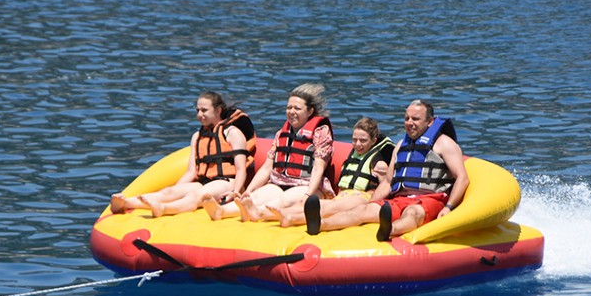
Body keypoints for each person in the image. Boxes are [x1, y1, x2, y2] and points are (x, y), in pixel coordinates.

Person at [304, 99, 469, 241]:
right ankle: (320, 224)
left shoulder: (444, 144)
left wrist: (449, 207)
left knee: (412, 213)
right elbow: (389, 182)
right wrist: (372, 202)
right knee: (363, 210)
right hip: (400, 199)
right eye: (407, 118)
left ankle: (389, 230)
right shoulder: (400, 147)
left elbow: (462, 178)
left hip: (430, 199)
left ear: (430, 121)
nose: (409, 122)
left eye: (415, 119)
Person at [109, 91, 256, 217]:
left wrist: (236, 192)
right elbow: (191, 172)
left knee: (196, 196)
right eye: (197, 110)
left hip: (226, 182)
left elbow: (241, 169)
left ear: (218, 111)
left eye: (204, 110)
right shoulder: (197, 136)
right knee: (168, 192)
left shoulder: (233, 133)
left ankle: (164, 209)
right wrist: (176, 190)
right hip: (203, 182)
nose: (199, 115)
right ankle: (125, 203)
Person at [203, 83, 335, 221]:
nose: (291, 112)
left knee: (285, 199)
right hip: (280, 181)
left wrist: (308, 195)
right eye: (289, 107)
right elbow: (267, 167)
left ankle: (257, 213)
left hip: (308, 186)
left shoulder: (321, 132)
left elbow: (318, 168)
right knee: (256, 197)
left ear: (310, 111)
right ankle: (221, 211)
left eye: (297, 108)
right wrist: (248, 191)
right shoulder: (281, 133)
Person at [267, 117, 395, 229]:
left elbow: (385, 187)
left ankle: (291, 219)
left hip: (362, 197)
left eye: (363, 141)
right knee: (315, 204)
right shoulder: (354, 155)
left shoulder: (378, 162)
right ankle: (278, 213)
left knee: (330, 208)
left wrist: (373, 203)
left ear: (373, 141)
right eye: (354, 140)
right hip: (344, 195)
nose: (357, 144)